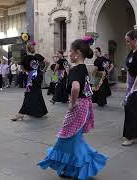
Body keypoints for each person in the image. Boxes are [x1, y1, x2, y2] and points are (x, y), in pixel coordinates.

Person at [37, 37, 107, 179]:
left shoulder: (75, 70)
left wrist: (73, 103)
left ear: (77, 53)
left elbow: (75, 88)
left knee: (67, 137)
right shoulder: (84, 69)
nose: (69, 54)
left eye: (70, 51)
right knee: (74, 138)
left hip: (79, 106)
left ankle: (83, 163)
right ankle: (72, 169)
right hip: (85, 106)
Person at [11, 42, 49, 120]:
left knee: (28, 94)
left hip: (31, 76)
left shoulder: (25, 58)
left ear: (26, 49)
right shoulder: (38, 56)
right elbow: (47, 62)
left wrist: (27, 71)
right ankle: (40, 111)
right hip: (38, 76)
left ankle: (21, 113)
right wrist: (43, 70)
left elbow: (22, 68)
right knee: (37, 93)